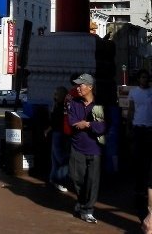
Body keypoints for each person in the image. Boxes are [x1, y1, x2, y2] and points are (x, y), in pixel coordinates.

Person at [67, 73, 106, 224]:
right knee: (76, 178)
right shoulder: (73, 103)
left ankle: (87, 210)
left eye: (81, 85)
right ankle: (82, 201)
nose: (78, 88)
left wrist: (88, 124)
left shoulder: (99, 104)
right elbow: (72, 122)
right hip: (77, 147)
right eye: (77, 85)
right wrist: (87, 124)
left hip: (95, 149)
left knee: (92, 181)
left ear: (90, 87)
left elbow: (103, 126)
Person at [128, 69, 152, 207]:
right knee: (138, 160)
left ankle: (146, 188)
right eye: (143, 77)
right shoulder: (134, 92)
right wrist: (128, 127)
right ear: (138, 79)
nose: (145, 79)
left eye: (147, 77)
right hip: (137, 128)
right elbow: (131, 110)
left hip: (150, 130)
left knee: (148, 161)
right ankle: (138, 188)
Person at [47, 85, 70, 192]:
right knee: (60, 159)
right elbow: (57, 121)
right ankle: (59, 180)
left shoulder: (58, 106)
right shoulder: (61, 106)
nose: (55, 96)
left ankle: (53, 178)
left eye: (56, 94)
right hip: (60, 133)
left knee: (56, 158)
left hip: (58, 133)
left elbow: (54, 121)